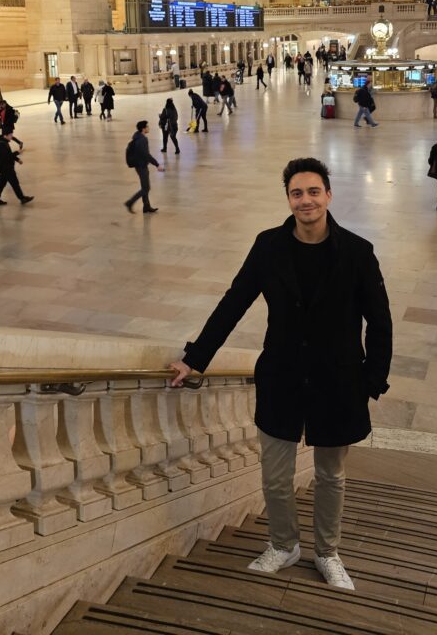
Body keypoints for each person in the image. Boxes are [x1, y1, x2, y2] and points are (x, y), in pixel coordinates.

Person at [168, 157, 392, 590]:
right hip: (282, 378)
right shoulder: (268, 246)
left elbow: (379, 322)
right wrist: (195, 357)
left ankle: (327, 552)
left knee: (331, 475)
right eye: (296, 192)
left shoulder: (357, 252)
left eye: (313, 191)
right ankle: (284, 544)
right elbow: (235, 302)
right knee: (274, 475)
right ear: (288, 198)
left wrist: (371, 381)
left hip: (337, 383)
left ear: (328, 194)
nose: (305, 200)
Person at [124, 120, 165, 213]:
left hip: (139, 165)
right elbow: (146, 155)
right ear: (143, 129)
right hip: (141, 166)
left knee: (144, 187)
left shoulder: (137, 136)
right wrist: (157, 164)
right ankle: (130, 202)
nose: (148, 128)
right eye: (147, 127)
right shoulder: (142, 140)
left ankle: (146, 206)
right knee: (146, 188)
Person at [0, 132, 34, 206]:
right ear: (5, 135)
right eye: (10, 135)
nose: (12, 136)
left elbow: (8, 154)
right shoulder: (2, 145)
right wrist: (17, 152)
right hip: (7, 168)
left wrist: (17, 159)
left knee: (1, 184)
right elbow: (7, 157)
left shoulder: (4, 143)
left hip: (4, 168)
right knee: (14, 183)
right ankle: (22, 198)